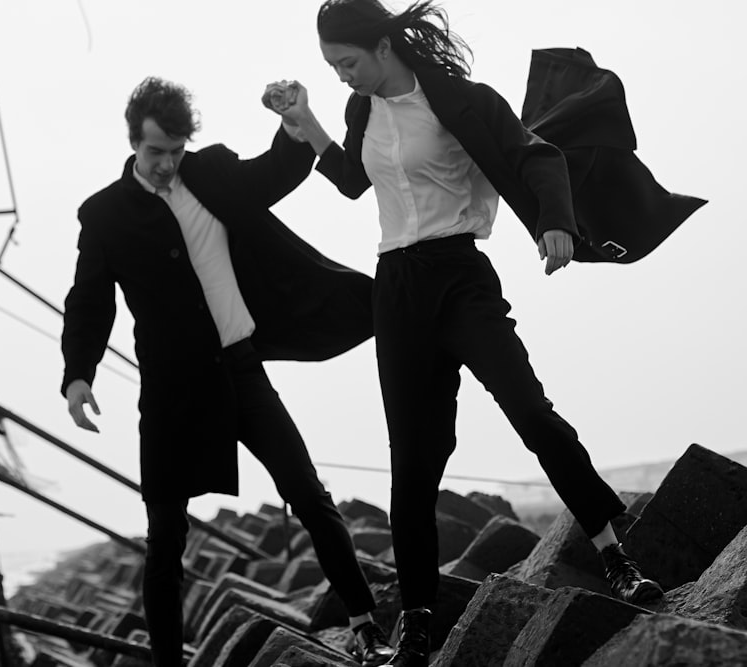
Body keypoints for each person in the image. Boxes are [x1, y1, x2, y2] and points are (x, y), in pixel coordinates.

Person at [265, 1, 667, 664]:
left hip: (460, 277)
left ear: (383, 45)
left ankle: (613, 553)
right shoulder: (361, 109)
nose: (342, 76)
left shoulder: (463, 101)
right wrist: (301, 119)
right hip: (396, 289)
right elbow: (351, 181)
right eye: (331, 66)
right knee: (413, 465)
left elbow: (533, 156)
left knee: (530, 411)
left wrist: (554, 221)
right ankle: (417, 624)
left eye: (347, 62)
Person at [61, 76, 396, 667]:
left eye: (175, 151)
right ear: (133, 143)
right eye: (154, 152)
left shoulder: (210, 174)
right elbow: (89, 301)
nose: (166, 164)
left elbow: (274, 172)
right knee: (166, 535)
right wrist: (78, 374)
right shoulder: (106, 215)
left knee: (308, 494)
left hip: (241, 372)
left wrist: (293, 123)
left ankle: (366, 628)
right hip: (171, 391)